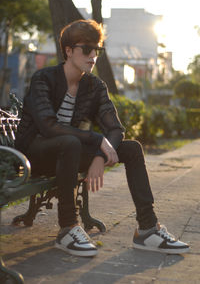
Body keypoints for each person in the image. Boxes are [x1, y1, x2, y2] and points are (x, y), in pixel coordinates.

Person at [15, 19, 189, 257]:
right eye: (86, 49)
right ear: (68, 51)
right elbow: (48, 126)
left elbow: (115, 129)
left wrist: (99, 155)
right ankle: (68, 228)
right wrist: (98, 141)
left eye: (97, 49)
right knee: (70, 142)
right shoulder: (44, 78)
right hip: (32, 156)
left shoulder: (95, 86)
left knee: (132, 149)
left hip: (69, 152)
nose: (93, 55)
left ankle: (147, 230)